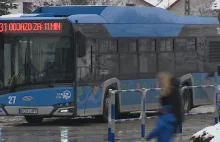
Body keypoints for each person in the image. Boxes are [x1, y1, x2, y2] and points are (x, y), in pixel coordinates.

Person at [145, 72, 183, 141]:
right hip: (171, 121)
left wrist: (148, 138)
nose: (159, 82)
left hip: (169, 120)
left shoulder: (172, 92)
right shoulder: (169, 91)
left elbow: (176, 107)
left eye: (160, 80)